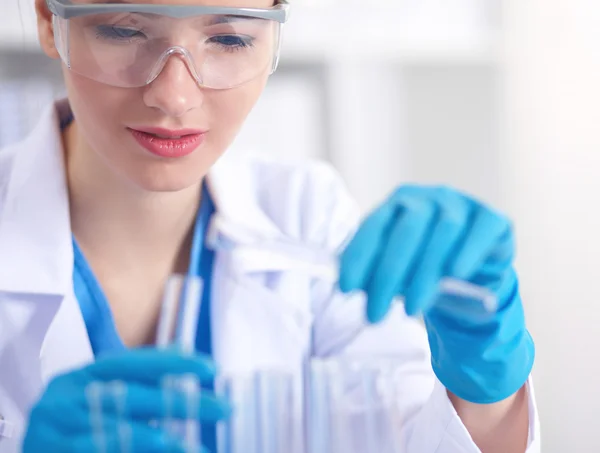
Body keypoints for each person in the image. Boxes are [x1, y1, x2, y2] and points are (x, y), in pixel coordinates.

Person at [0, 0, 540, 452]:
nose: (174, 95)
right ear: (50, 20)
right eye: (123, 31)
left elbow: (410, 437)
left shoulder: (308, 215)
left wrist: (484, 387)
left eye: (230, 40)